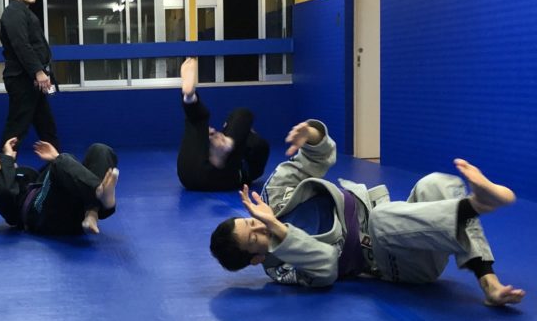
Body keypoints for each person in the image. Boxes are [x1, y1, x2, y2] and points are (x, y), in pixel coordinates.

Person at [210, 119, 525, 307]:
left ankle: (488, 282)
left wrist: (312, 135)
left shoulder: (274, 193)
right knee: (381, 219)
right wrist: (279, 230)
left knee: (435, 184)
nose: (261, 225)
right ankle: (477, 204)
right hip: (396, 262)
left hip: (408, 226)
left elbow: (316, 158)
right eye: (255, 237)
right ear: (256, 259)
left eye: (252, 221)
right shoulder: (280, 269)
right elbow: (325, 266)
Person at [0, 137, 119, 235]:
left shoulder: (26, 175)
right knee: (62, 159)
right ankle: (101, 198)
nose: (1, 159)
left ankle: (92, 212)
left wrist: (53, 158)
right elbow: (6, 191)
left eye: (0, 157)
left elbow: (51, 180)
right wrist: (8, 158)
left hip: (68, 209)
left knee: (100, 149)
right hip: (43, 217)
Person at [177, 57, 270, 191]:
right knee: (241, 114)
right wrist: (228, 140)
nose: (214, 133)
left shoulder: (252, 145)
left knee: (198, 121)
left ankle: (189, 98)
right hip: (225, 176)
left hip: (189, 175)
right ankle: (190, 99)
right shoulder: (250, 150)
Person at [0, 0, 59, 151]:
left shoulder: (24, 12)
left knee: (47, 126)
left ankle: (57, 164)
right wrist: (38, 72)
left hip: (32, 79)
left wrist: (43, 73)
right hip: (22, 80)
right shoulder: (13, 13)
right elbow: (21, 45)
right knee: (16, 128)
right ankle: (4, 166)